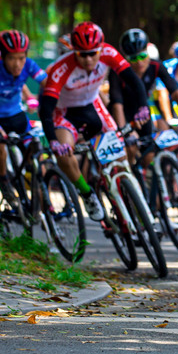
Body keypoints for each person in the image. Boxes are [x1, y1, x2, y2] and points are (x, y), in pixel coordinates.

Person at [37, 21, 151, 222]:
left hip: (92, 106)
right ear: (74, 52)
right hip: (64, 113)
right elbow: (46, 108)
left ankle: (135, 208)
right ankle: (86, 193)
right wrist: (53, 141)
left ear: (100, 49)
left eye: (93, 53)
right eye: (83, 55)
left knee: (121, 159)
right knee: (64, 154)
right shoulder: (61, 68)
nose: (89, 59)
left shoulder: (109, 53)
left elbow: (134, 81)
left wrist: (143, 107)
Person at [108, 28, 178, 160]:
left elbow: (176, 93)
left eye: (142, 56)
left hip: (142, 113)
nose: (139, 62)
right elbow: (117, 105)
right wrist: (124, 132)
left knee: (148, 155)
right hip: (121, 114)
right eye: (133, 59)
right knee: (128, 152)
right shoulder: (117, 72)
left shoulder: (156, 66)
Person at [0, 30, 47, 185]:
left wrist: (46, 108)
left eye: (21, 58)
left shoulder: (29, 65)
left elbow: (49, 86)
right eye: (11, 58)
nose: (17, 64)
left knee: (37, 158)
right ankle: (4, 181)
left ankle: (40, 191)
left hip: (17, 116)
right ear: (3, 57)